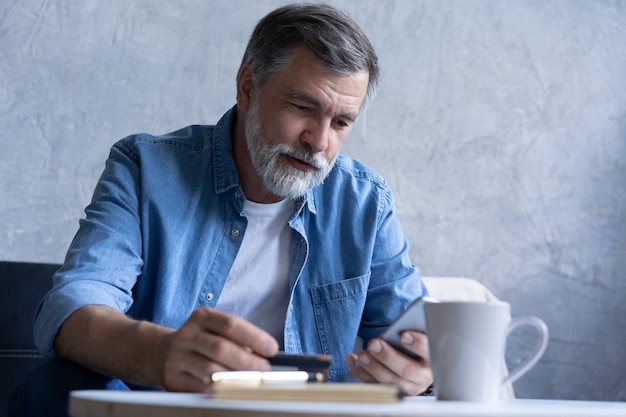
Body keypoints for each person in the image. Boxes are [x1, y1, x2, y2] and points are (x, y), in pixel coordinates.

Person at [10, 3, 432, 416]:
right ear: (247, 86)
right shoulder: (146, 168)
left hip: (301, 412)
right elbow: (74, 303)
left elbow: (417, 339)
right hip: (165, 408)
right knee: (54, 387)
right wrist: (160, 352)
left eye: (341, 122)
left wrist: (422, 370)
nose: (319, 141)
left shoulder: (365, 203)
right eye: (303, 107)